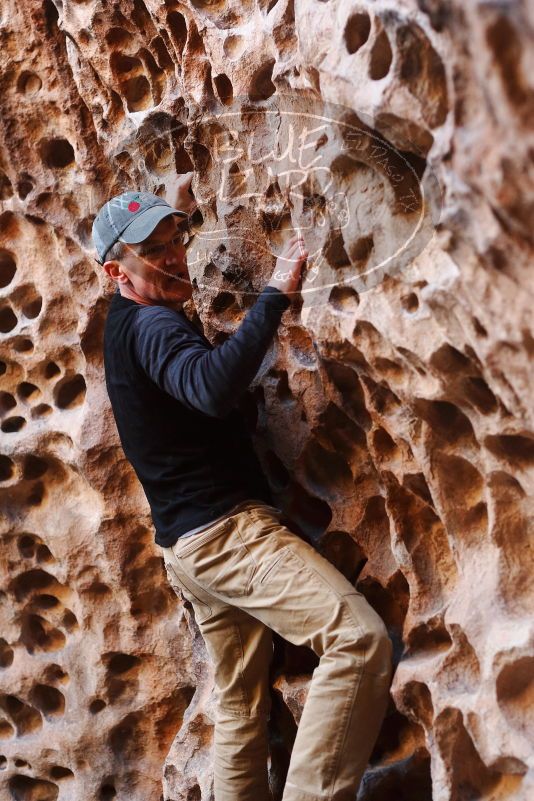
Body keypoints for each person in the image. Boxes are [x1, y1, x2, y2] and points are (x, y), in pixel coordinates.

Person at [93, 173, 392, 801]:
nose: (174, 258)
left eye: (175, 239)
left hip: (188, 552)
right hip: (228, 537)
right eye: (154, 251)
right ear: (116, 273)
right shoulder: (154, 328)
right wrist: (276, 295)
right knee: (357, 640)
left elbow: (163, 264)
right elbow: (207, 387)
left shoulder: (125, 323)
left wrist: (177, 209)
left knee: (239, 710)